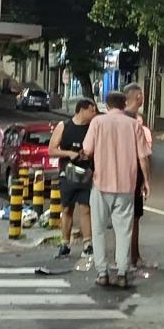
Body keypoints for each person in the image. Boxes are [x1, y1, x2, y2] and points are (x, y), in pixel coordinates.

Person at [83, 91, 151, 289]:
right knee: (124, 231)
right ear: (124, 104)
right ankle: (122, 272)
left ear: (107, 105)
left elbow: (87, 150)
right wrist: (146, 181)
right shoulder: (134, 125)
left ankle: (102, 272)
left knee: (98, 230)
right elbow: (143, 157)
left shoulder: (97, 123)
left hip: (101, 183)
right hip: (126, 185)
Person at [48, 99, 97, 258]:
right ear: (82, 110)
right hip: (68, 173)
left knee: (86, 208)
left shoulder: (92, 128)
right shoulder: (64, 126)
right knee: (67, 209)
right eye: (91, 110)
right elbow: (52, 150)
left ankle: (88, 244)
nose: (94, 113)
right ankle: (65, 243)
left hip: (86, 173)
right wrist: (69, 154)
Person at [123, 82, 153, 270]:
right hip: (130, 175)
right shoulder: (131, 122)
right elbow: (142, 155)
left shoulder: (134, 119)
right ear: (138, 97)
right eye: (141, 94)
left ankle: (133, 256)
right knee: (130, 219)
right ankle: (129, 258)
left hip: (124, 176)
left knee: (132, 218)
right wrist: (146, 179)